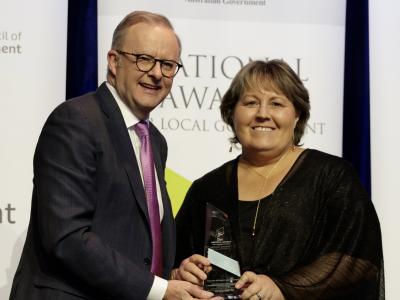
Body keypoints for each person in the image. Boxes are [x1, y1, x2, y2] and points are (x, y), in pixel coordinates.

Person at [9, 11, 214, 300]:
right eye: (144, 59)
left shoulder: (155, 141)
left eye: (168, 65)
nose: (156, 73)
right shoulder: (75, 120)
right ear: (114, 61)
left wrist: (171, 276)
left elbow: (131, 240)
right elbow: (67, 237)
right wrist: (160, 290)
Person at [173, 60, 384, 300]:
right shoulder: (206, 189)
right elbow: (172, 262)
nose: (263, 114)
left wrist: (282, 288)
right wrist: (180, 273)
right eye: (251, 103)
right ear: (232, 113)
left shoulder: (332, 177)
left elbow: (356, 262)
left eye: (276, 103)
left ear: (297, 115)